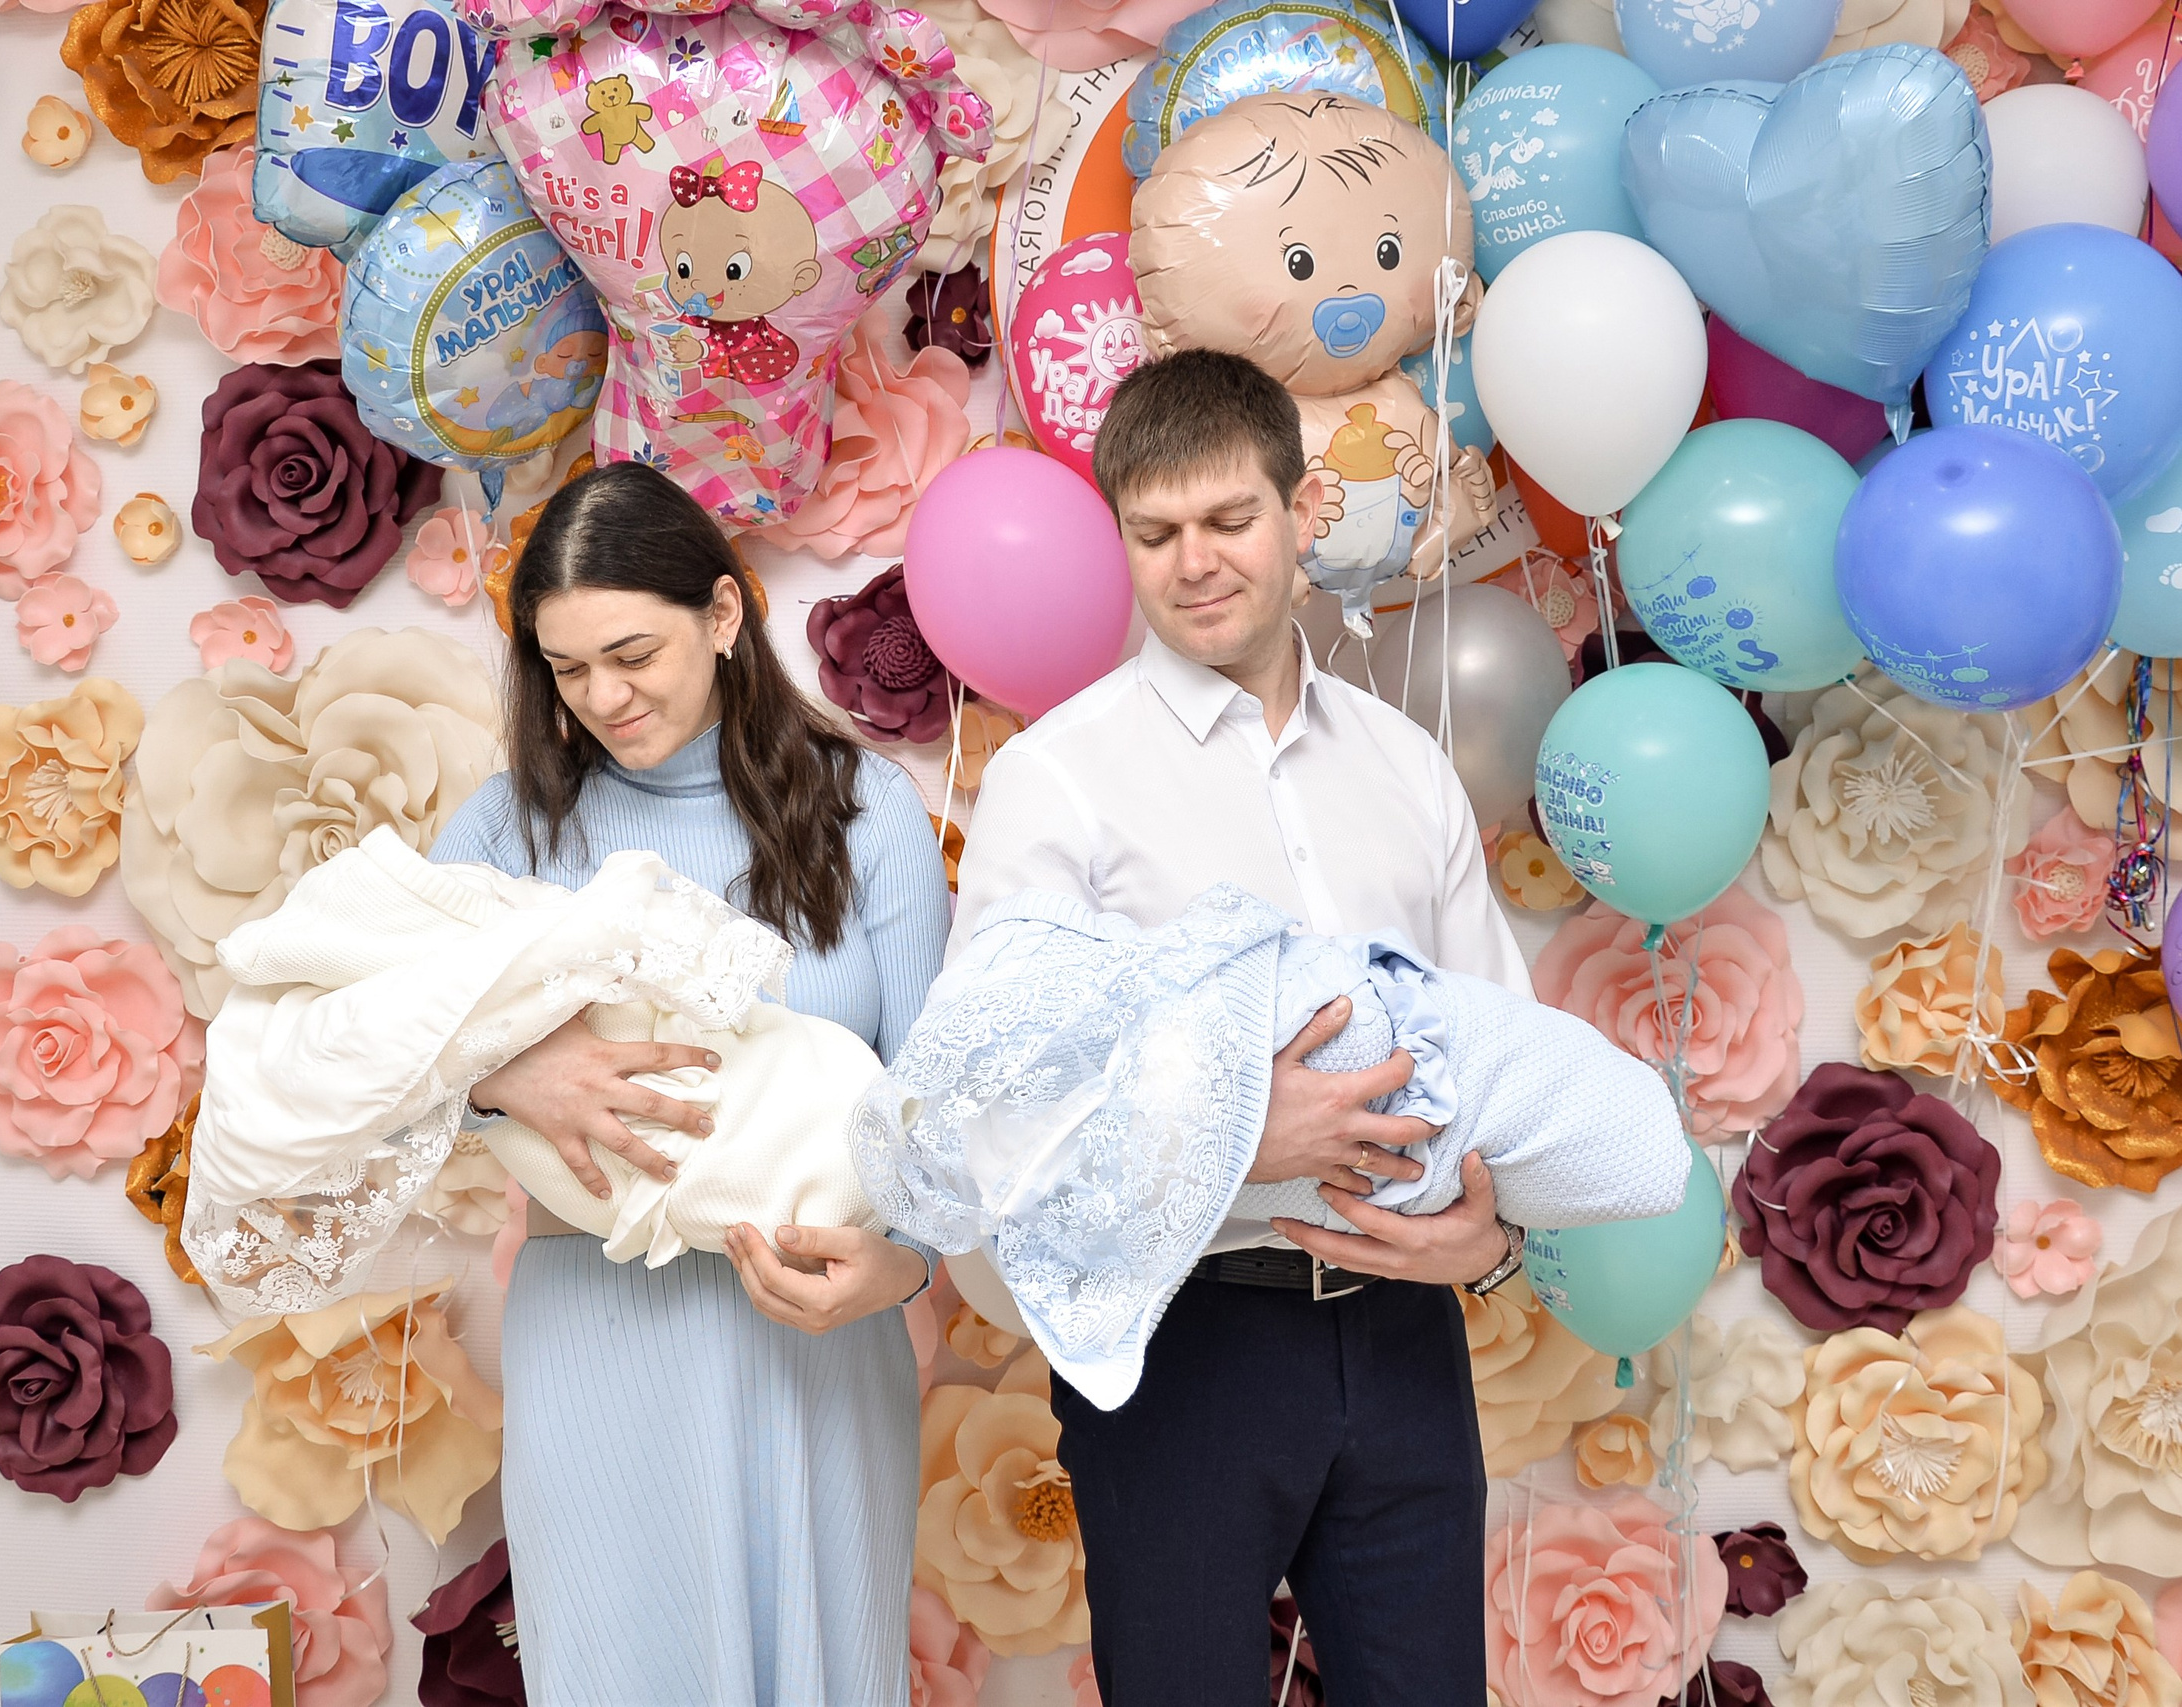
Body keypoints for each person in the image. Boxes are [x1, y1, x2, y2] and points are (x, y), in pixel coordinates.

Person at [948, 348, 1530, 1704]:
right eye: (1154, 533)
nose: (1194, 562)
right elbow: (999, 1108)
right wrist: (1235, 1130)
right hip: (1175, 1344)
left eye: (1228, 520)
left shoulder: (1404, 766)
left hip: (1401, 1333)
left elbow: (1497, 1042)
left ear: (1304, 507)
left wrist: (1492, 1236)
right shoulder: (1059, 782)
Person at [428, 458, 949, 1706]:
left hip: (815, 1339)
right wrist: (510, 1081)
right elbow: (382, 1072)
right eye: (564, 668)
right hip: (595, 1344)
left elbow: (941, 1108)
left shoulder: (865, 811)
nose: (602, 697)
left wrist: (907, 1269)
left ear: (723, 618)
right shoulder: (506, 833)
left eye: (632, 653)